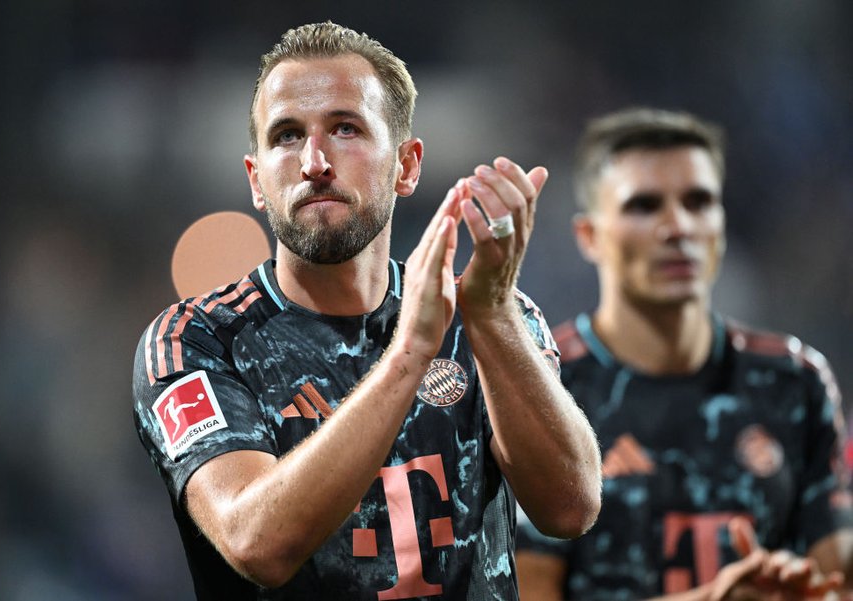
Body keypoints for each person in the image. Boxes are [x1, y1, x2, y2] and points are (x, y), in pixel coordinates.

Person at [132, 21, 602, 600]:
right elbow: (256, 543)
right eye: (285, 136)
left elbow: (570, 507)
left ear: (406, 165)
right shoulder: (196, 339)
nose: (313, 162)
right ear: (257, 181)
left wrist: (496, 317)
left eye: (345, 128)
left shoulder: (488, 317)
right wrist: (409, 355)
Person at [515, 107, 853, 600]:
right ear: (589, 236)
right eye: (645, 206)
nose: (678, 227)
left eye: (699, 202)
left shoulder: (794, 382)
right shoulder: (542, 387)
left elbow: (836, 583)